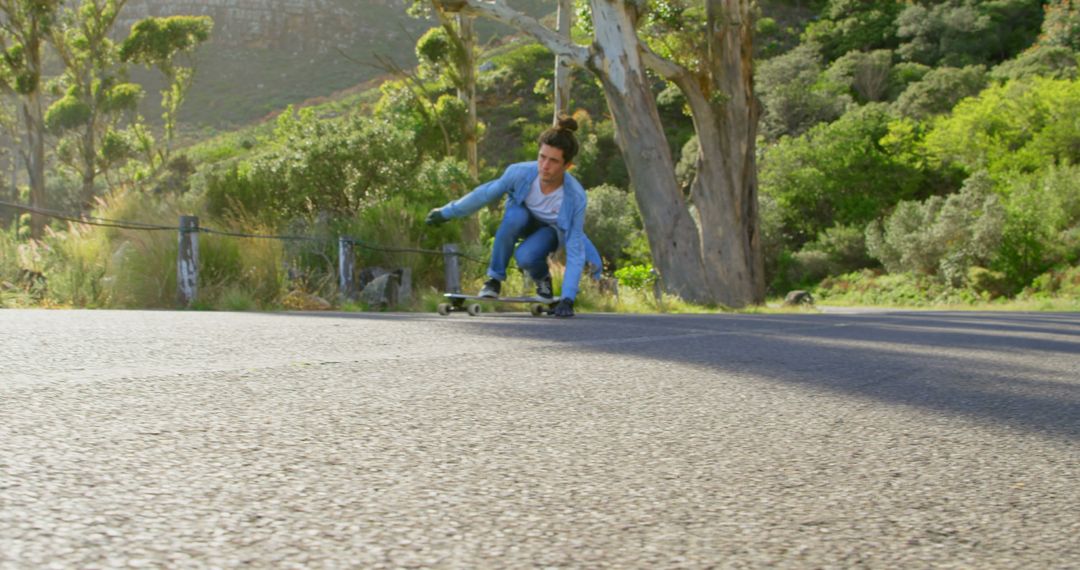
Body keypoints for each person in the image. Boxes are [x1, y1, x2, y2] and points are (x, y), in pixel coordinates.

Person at [426, 116, 590, 318]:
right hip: (521, 219)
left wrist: (568, 298)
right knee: (513, 218)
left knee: (525, 256)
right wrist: (446, 212)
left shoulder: (575, 197)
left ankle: (542, 279)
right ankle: (493, 280)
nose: (544, 166)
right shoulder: (519, 173)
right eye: (542, 157)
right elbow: (484, 194)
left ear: (567, 166)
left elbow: (575, 248)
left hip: (549, 231)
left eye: (553, 161)